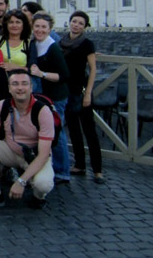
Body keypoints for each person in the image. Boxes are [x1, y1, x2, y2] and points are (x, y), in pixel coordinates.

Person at [0, 70, 55, 211]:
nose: (20, 88)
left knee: (43, 184)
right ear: (9, 88)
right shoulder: (2, 106)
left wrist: (21, 181)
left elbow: (43, 155)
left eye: (24, 84)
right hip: (11, 150)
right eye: (15, 84)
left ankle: (38, 197)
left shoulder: (42, 111)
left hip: (35, 155)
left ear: (31, 87)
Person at [59, 11, 104, 184]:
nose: (76, 25)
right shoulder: (61, 42)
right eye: (74, 21)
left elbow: (92, 69)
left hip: (82, 90)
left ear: (84, 26)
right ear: (69, 22)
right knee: (74, 129)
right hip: (66, 91)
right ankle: (79, 165)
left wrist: (88, 93)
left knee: (89, 130)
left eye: (80, 23)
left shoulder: (87, 44)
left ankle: (98, 170)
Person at [28, 12, 71, 184]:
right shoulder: (34, 43)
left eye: (43, 27)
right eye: (37, 26)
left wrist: (42, 74)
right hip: (43, 96)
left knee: (57, 133)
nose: (39, 30)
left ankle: (63, 171)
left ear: (49, 29)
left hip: (56, 96)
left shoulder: (52, 47)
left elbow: (64, 75)